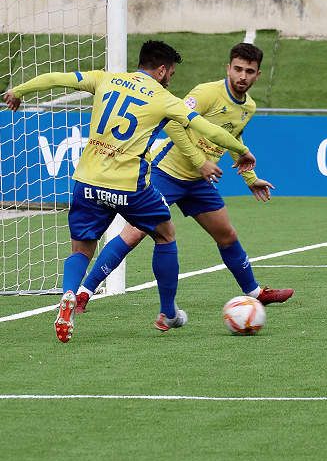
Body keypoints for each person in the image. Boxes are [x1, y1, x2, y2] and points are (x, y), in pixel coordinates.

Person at [3, 40, 257, 343]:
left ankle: (70, 293)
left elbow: (56, 78)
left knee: (82, 249)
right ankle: (168, 312)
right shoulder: (164, 98)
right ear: (162, 70)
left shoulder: (105, 78)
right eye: (171, 73)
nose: (170, 78)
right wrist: (241, 150)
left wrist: (19, 91)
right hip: (128, 185)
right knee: (165, 234)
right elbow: (207, 129)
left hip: (87, 181)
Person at [75, 43, 291, 313]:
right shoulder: (206, 93)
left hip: (199, 182)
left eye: (249, 71)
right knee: (134, 234)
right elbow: (174, 122)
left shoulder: (249, 107)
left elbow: (233, 137)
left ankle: (255, 292)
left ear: (258, 75)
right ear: (228, 68)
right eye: (237, 69)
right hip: (167, 172)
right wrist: (200, 162)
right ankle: (85, 291)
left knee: (226, 234)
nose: (242, 76)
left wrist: (250, 178)